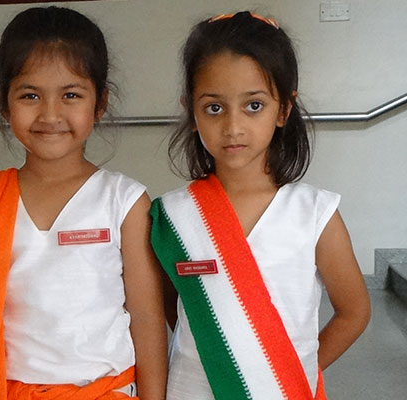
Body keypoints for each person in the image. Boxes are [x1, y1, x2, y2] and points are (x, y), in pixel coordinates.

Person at [150, 11, 371, 399]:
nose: (233, 127)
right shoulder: (173, 216)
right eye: (214, 108)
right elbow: (172, 307)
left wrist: (292, 370)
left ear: (283, 109)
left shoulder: (314, 214)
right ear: (191, 111)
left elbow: (354, 311)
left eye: (253, 105)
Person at [0, 6, 167, 400]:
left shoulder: (124, 202)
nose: (50, 114)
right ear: (5, 104)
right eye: (30, 95)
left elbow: (148, 320)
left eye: (71, 95)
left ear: (100, 103)